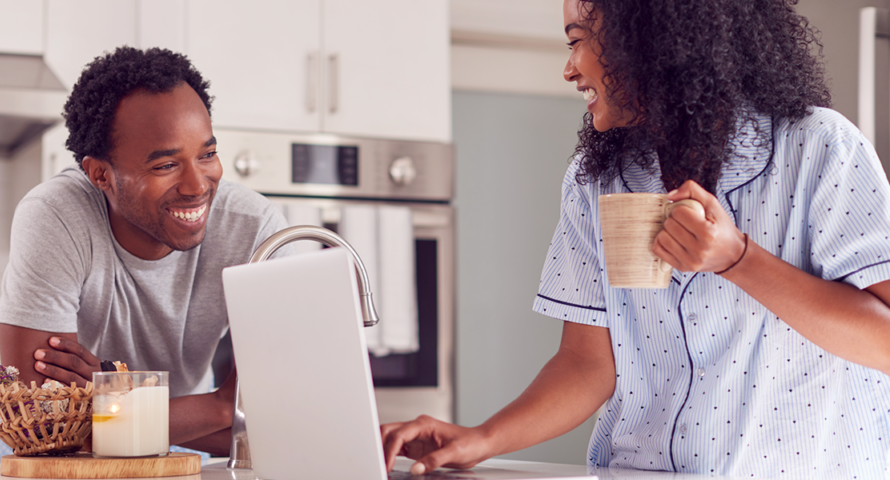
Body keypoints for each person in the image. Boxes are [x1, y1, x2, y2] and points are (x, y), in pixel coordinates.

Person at [381, 0, 890, 478]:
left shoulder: (820, 147)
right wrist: (480, 439)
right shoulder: (596, 176)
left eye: (578, 41)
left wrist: (738, 259)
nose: (570, 69)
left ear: (650, 40)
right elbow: (588, 362)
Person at [0, 46, 289, 455]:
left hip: (186, 453)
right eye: (165, 166)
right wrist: (221, 406)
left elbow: (281, 422)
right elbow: (45, 427)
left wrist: (112, 402)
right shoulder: (55, 217)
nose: (197, 185)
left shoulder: (255, 229)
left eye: (207, 154)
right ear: (100, 173)